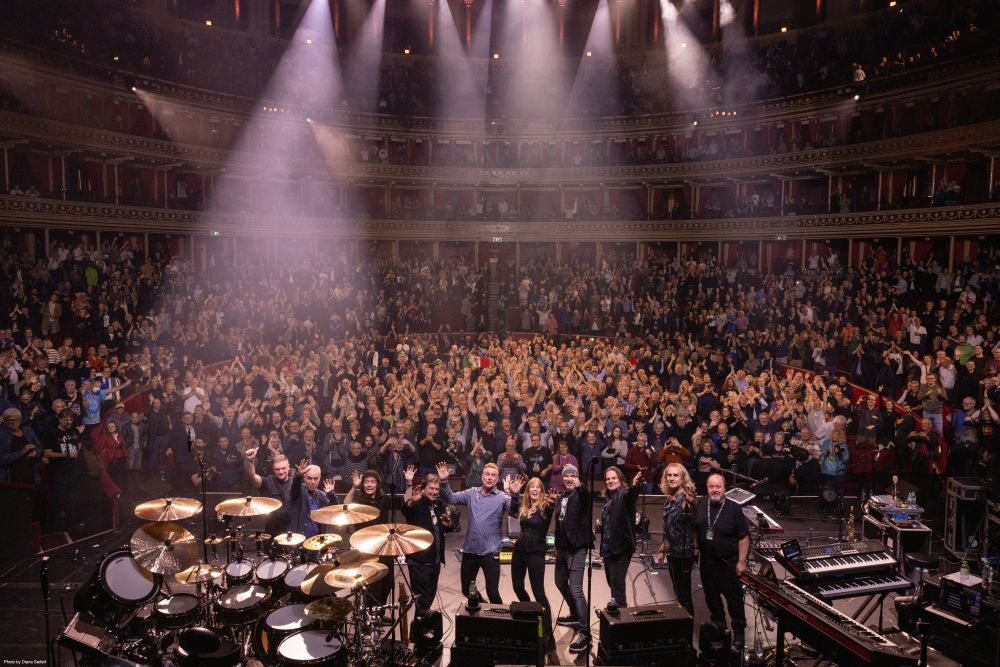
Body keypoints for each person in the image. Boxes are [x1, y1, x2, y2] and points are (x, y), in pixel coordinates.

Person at [436, 460, 522, 604]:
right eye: (487, 474)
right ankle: (482, 611)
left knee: (493, 593)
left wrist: (515, 495)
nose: (489, 477)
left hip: (491, 552)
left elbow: (514, 512)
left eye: (493, 475)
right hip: (471, 551)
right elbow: (450, 497)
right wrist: (444, 480)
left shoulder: (502, 497)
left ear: (497, 478)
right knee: (466, 590)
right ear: (482, 476)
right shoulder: (471, 493)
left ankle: (499, 620)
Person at [695, 472, 750, 651]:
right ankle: (720, 628)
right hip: (707, 563)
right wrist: (697, 548)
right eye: (711, 486)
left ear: (725, 488)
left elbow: (744, 537)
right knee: (712, 598)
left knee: (734, 600)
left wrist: (742, 562)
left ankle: (739, 632)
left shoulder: (734, 508)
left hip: (729, 563)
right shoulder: (702, 503)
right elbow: (697, 528)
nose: (714, 490)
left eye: (718, 486)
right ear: (707, 488)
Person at [509, 476, 555, 648]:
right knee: (517, 587)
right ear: (528, 491)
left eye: (538, 487)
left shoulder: (544, 508)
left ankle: (549, 635)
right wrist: (514, 494)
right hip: (519, 552)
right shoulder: (524, 507)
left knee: (539, 593)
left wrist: (551, 503)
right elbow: (511, 510)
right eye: (531, 487)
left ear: (542, 491)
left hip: (536, 553)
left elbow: (550, 509)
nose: (534, 489)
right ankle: (530, 613)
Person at [551, 463, 593, 654]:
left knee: (576, 588)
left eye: (572, 476)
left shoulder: (581, 494)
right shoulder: (562, 497)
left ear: (577, 477)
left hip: (578, 548)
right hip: (563, 548)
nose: (568, 479)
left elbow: (586, 496)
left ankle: (585, 632)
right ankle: (575, 613)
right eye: (566, 476)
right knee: (560, 582)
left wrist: (581, 486)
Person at [402, 466, 450, 614]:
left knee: (428, 599)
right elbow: (406, 509)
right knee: (422, 602)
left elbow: (445, 526)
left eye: (437, 489)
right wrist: (411, 498)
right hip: (419, 562)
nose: (434, 492)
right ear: (423, 489)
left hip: (434, 561)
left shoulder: (438, 505)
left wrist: (448, 525)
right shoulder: (417, 503)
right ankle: (419, 634)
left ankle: (421, 631)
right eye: (431, 488)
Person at [344, 468, 395, 605]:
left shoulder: (383, 499)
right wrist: (354, 487)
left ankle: (379, 611)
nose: (369, 485)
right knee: (373, 583)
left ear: (377, 484)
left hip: (382, 545)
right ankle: (369, 614)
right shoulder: (359, 498)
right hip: (365, 547)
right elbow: (345, 506)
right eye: (366, 482)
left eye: (373, 482)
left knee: (388, 580)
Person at [597, 466, 642, 609]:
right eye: (608, 479)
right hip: (609, 549)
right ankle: (617, 613)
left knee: (617, 590)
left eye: (614, 478)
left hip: (620, 549)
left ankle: (622, 623)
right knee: (613, 586)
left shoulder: (623, 494)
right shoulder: (610, 499)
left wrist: (635, 486)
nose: (610, 481)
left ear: (621, 479)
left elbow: (631, 496)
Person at [657, 463, 697, 616]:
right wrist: (662, 549)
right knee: (678, 593)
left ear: (682, 478)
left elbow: (692, 513)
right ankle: (683, 626)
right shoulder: (670, 498)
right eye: (669, 475)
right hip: (672, 551)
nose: (671, 478)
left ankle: (687, 631)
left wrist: (691, 502)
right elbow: (667, 528)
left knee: (684, 596)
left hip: (683, 552)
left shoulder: (684, 497)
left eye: (675, 475)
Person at [244, 449, 294, 534]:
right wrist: (250, 460)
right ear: (273, 469)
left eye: (283, 468)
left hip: (292, 531)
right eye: (277, 469)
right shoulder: (267, 482)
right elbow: (251, 477)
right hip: (272, 531)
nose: (281, 471)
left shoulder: (295, 483)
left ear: (289, 467)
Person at [287, 463, 338, 537]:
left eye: (315, 478)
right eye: (309, 478)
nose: (312, 482)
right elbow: (295, 488)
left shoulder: (321, 495)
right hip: (298, 540)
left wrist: (331, 493)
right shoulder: (299, 492)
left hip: (316, 541)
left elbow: (334, 510)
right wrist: (299, 476)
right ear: (304, 478)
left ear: (319, 478)